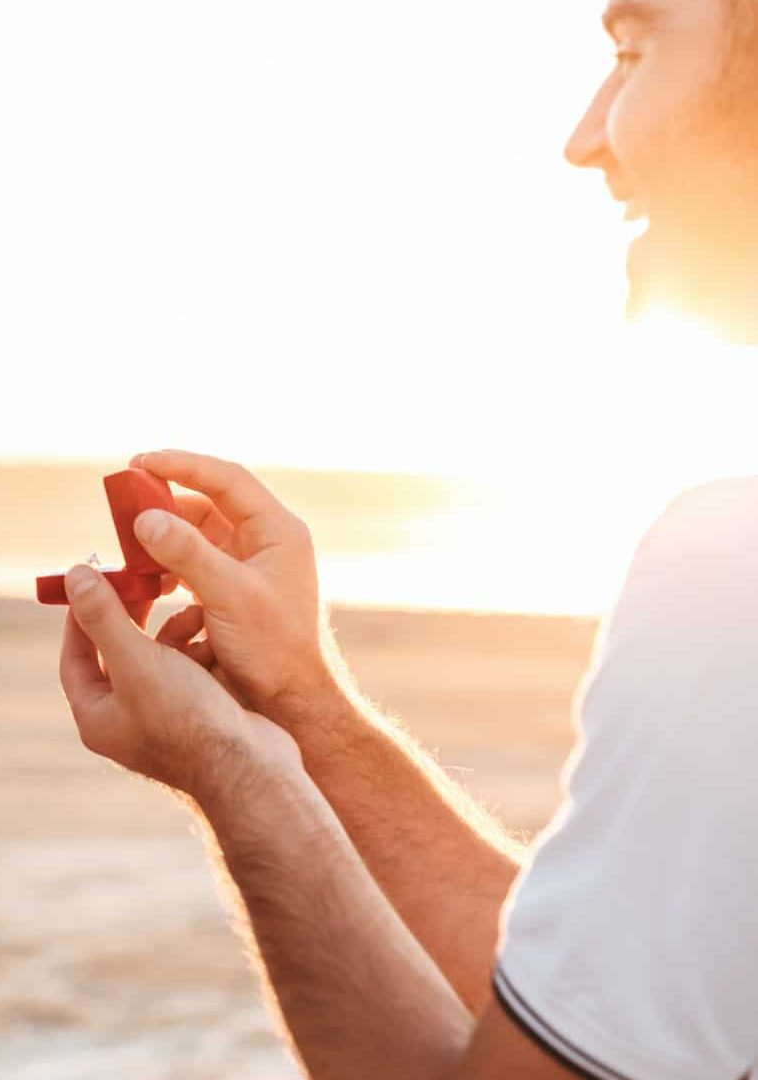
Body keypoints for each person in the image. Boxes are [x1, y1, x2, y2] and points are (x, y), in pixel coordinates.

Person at [56, 1, 758, 1077]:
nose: (583, 135)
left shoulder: (729, 572)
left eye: (632, 50)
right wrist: (300, 707)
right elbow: (598, 997)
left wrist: (240, 776)